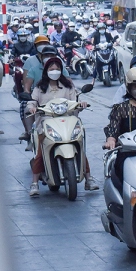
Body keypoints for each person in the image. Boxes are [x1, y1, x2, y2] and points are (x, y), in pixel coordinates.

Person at [26, 55, 91, 197]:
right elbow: (32, 101)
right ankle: (35, 182)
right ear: (46, 71)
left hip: (67, 120)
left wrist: (81, 104)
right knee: (40, 151)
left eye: (57, 68)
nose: (54, 71)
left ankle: (88, 178)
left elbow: (75, 101)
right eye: (51, 68)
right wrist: (32, 107)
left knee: (79, 145)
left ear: (61, 70)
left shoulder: (68, 86)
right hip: (46, 121)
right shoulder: (39, 87)